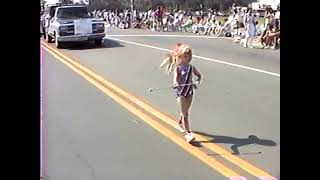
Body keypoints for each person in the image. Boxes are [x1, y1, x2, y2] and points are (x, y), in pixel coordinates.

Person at [160, 44, 202, 143]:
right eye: (186, 56)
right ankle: (188, 134)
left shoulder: (191, 67)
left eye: (190, 56)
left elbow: (199, 75)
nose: (188, 58)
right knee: (185, 113)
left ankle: (180, 123)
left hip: (190, 91)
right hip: (181, 92)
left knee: (186, 110)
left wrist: (197, 81)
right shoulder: (178, 68)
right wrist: (175, 83)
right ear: (180, 57)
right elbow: (175, 79)